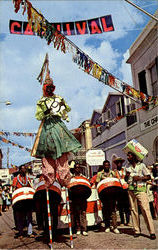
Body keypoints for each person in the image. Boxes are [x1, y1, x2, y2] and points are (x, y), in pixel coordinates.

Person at [31, 58, 81, 188]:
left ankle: (65, 180)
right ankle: (49, 180)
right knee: (47, 158)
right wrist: (46, 112)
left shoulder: (58, 98)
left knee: (62, 156)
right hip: (47, 129)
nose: (50, 90)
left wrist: (64, 105)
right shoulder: (41, 102)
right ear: (44, 88)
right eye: (48, 88)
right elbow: (38, 115)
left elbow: (66, 111)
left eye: (51, 88)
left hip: (58, 128)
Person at [125, 151, 156, 240]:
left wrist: (140, 178)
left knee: (146, 210)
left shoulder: (141, 166)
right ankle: (137, 230)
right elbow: (126, 178)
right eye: (127, 156)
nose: (128, 157)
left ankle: (152, 231)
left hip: (141, 190)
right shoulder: (127, 166)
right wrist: (126, 176)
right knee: (134, 210)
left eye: (129, 155)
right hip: (131, 190)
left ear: (134, 157)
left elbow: (149, 177)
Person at [96, 160, 120, 234]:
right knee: (105, 211)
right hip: (104, 195)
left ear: (109, 165)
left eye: (108, 165)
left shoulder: (113, 173)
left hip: (112, 195)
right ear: (103, 166)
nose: (106, 166)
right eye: (105, 165)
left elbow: (116, 181)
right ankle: (107, 226)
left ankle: (115, 226)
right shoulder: (100, 174)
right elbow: (97, 183)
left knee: (113, 211)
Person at [12, 165, 34, 239]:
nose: (24, 170)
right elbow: (14, 189)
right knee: (20, 217)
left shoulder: (28, 178)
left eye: (25, 169)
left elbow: (31, 187)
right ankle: (20, 232)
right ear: (20, 170)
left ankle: (30, 232)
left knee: (29, 217)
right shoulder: (15, 179)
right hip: (19, 202)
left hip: (27, 201)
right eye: (22, 169)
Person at [70, 162, 88, 236]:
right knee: (76, 213)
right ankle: (78, 228)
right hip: (75, 198)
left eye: (78, 167)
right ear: (74, 169)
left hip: (83, 197)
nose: (77, 169)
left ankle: (84, 229)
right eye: (76, 168)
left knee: (83, 213)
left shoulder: (84, 177)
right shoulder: (71, 178)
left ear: (80, 169)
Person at [113, 157, 131, 226]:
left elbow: (128, 178)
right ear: (116, 164)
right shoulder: (114, 172)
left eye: (120, 163)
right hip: (118, 190)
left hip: (125, 189)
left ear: (122, 163)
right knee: (120, 207)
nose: (119, 164)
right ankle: (122, 222)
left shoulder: (125, 170)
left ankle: (128, 221)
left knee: (127, 206)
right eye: (118, 163)